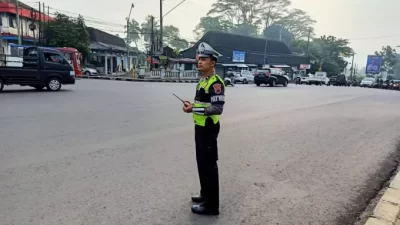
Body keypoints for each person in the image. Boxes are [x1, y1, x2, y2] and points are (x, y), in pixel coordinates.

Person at [182, 42, 225, 215]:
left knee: (209, 165)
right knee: (201, 163)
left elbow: (217, 108)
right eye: (199, 59)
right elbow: (202, 104)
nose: (199, 62)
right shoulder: (202, 82)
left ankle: (212, 205)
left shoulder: (216, 83)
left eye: (204, 59)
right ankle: (205, 194)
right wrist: (191, 105)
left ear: (212, 63)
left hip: (208, 128)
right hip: (199, 127)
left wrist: (193, 108)